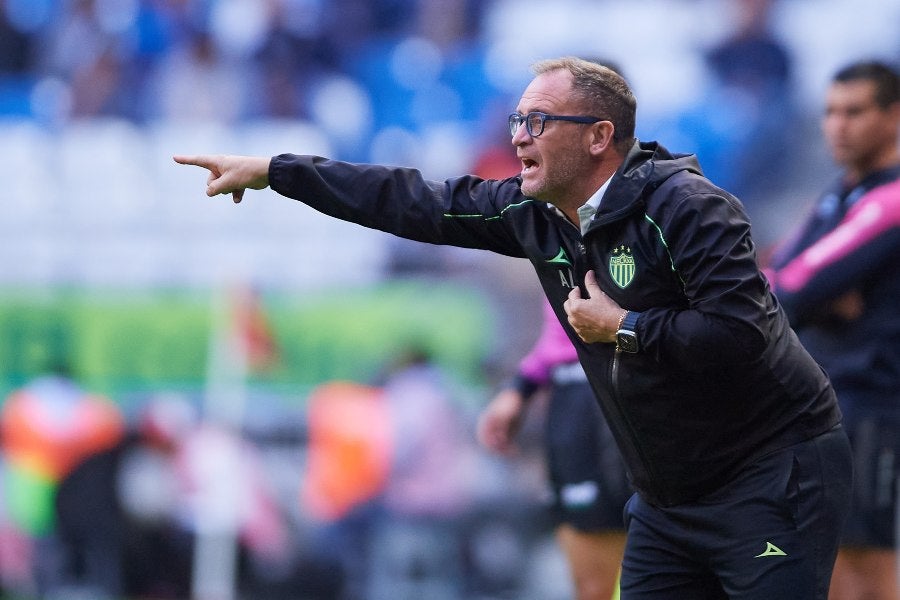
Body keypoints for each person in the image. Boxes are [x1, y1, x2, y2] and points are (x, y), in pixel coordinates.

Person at [174, 56, 852, 599]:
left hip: (771, 471)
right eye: (516, 119)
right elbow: (411, 200)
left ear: (598, 136)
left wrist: (624, 327)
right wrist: (279, 172)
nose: (517, 136)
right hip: (670, 499)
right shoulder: (536, 213)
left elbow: (739, 337)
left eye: (537, 121)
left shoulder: (691, 209)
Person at [763, 60, 900, 600]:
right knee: (831, 569)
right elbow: (777, 278)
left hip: (870, 403)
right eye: (829, 113)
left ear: (894, 116)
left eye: (854, 112)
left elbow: (790, 292)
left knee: (864, 570)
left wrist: (813, 296)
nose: (837, 126)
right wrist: (823, 297)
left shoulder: (888, 200)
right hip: (828, 403)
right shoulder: (837, 195)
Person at [478, 299, 630, 600]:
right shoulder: (556, 252)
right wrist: (522, 386)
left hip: (642, 384)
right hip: (575, 394)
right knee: (592, 587)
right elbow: (560, 332)